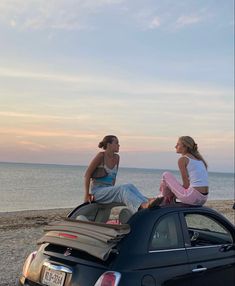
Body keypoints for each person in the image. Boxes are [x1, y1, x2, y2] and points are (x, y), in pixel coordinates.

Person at [84, 135, 158, 213]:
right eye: (116, 143)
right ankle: (143, 205)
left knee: (129, 186)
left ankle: (147, 201)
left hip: (108, 190)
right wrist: (86, 195)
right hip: (98, 192)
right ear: (109, 145)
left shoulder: (117, 158)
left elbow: (113, 179)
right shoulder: (101, 156)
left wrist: (112, 192)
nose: (119, 145)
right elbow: (87, 175)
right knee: (122, 189)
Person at [157, 136, 209, 206]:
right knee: (169, 184)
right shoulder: (200, 161)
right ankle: (165, 198)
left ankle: (163, 199)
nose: (175, 146)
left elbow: (186, 185)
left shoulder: (183, 159)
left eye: (178, 144)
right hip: (203, 199)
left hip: (192, 197)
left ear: (185, 146)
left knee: (166, 175)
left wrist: (173, 193)